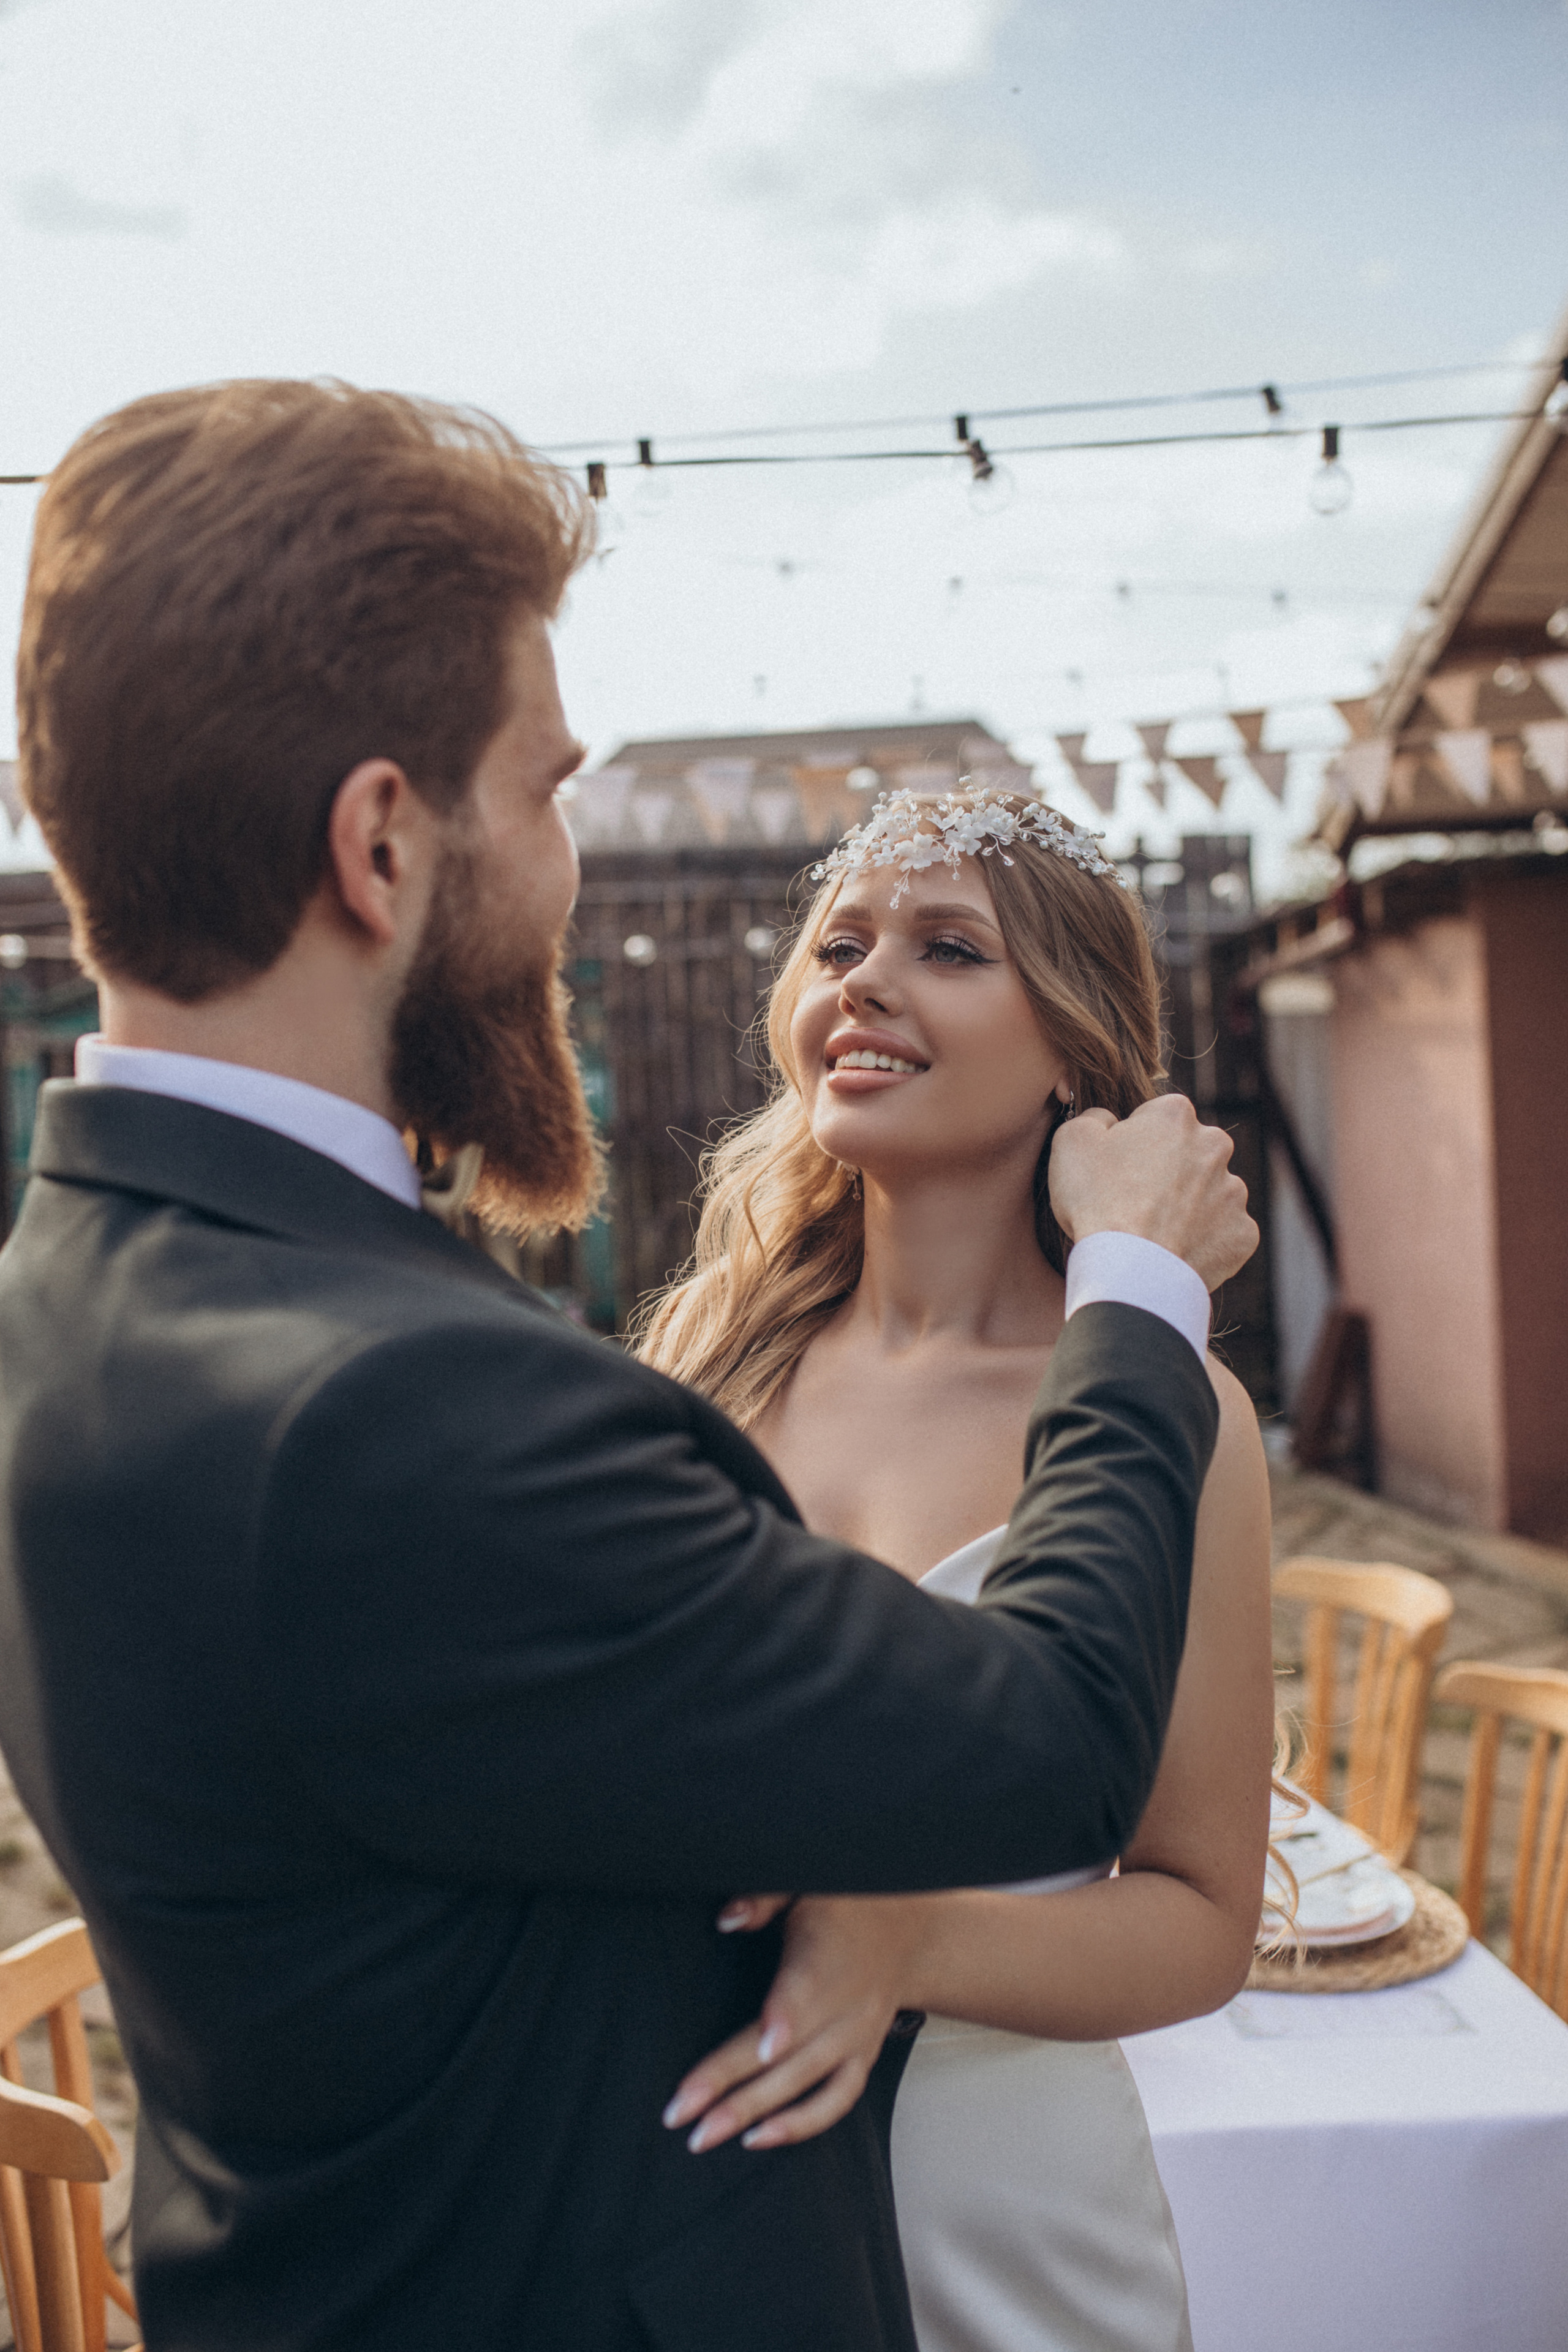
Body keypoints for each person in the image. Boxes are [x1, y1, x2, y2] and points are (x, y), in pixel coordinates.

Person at [0, 380, 1254, 2351]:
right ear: (382, 845)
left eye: (949, 949)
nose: (578, 869)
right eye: (550, 788)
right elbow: (1043, 1745)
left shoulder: (69, 1296)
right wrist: (1142, 1298)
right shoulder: (425, 1406)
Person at [638, 787, 1276, 2350]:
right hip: (694, 2180)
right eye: (838, 945)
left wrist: (903, 1946)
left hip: (999, 2205)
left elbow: (1198, 1921)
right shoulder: (696, 1361)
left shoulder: (1169, 1406)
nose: (863, 981)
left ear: (1069, 1043)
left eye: (945, 948)